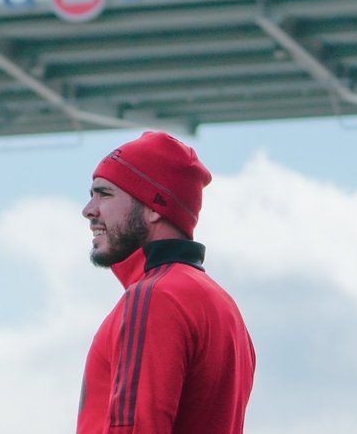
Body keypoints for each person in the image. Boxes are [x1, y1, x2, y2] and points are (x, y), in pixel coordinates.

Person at [77, 131, 255, 433]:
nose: (88, 210)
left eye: (104, 194)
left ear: (154, 207)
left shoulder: (155, 296)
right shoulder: (223, 306)